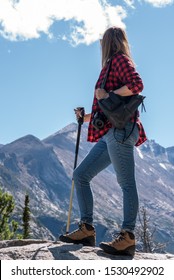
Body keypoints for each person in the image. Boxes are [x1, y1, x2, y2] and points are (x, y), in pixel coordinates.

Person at [59, 26, 147, 255]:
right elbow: (108, 107)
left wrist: (107, 95)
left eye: (102, 42)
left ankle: (127, 236)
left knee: (126, 183)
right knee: (80, 175)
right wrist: (86, 117)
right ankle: (87, 229)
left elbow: (137, 85)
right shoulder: (110, 66)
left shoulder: (119, 60)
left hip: (119, 132)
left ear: (109, 42)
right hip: (111, 131)